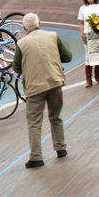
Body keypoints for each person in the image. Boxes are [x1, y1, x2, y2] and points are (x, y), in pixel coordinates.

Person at [12, 13, 72, 168]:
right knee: (56, 116)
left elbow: (16, 67)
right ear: (40, 23)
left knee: (34, 122)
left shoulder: (22, 43)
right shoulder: (53, 35)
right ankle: (61, 148)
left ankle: (36, 156)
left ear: (25, 28)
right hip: (54, 81)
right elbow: (68, 56)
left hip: (34, 87)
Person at [78, 0, 99, 87]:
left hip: (98, 35)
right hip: (87, 35)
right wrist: (82, 34)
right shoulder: (82, 8)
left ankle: (97, 77)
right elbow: (81, 22)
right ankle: (88, 80)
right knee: (88, 57)